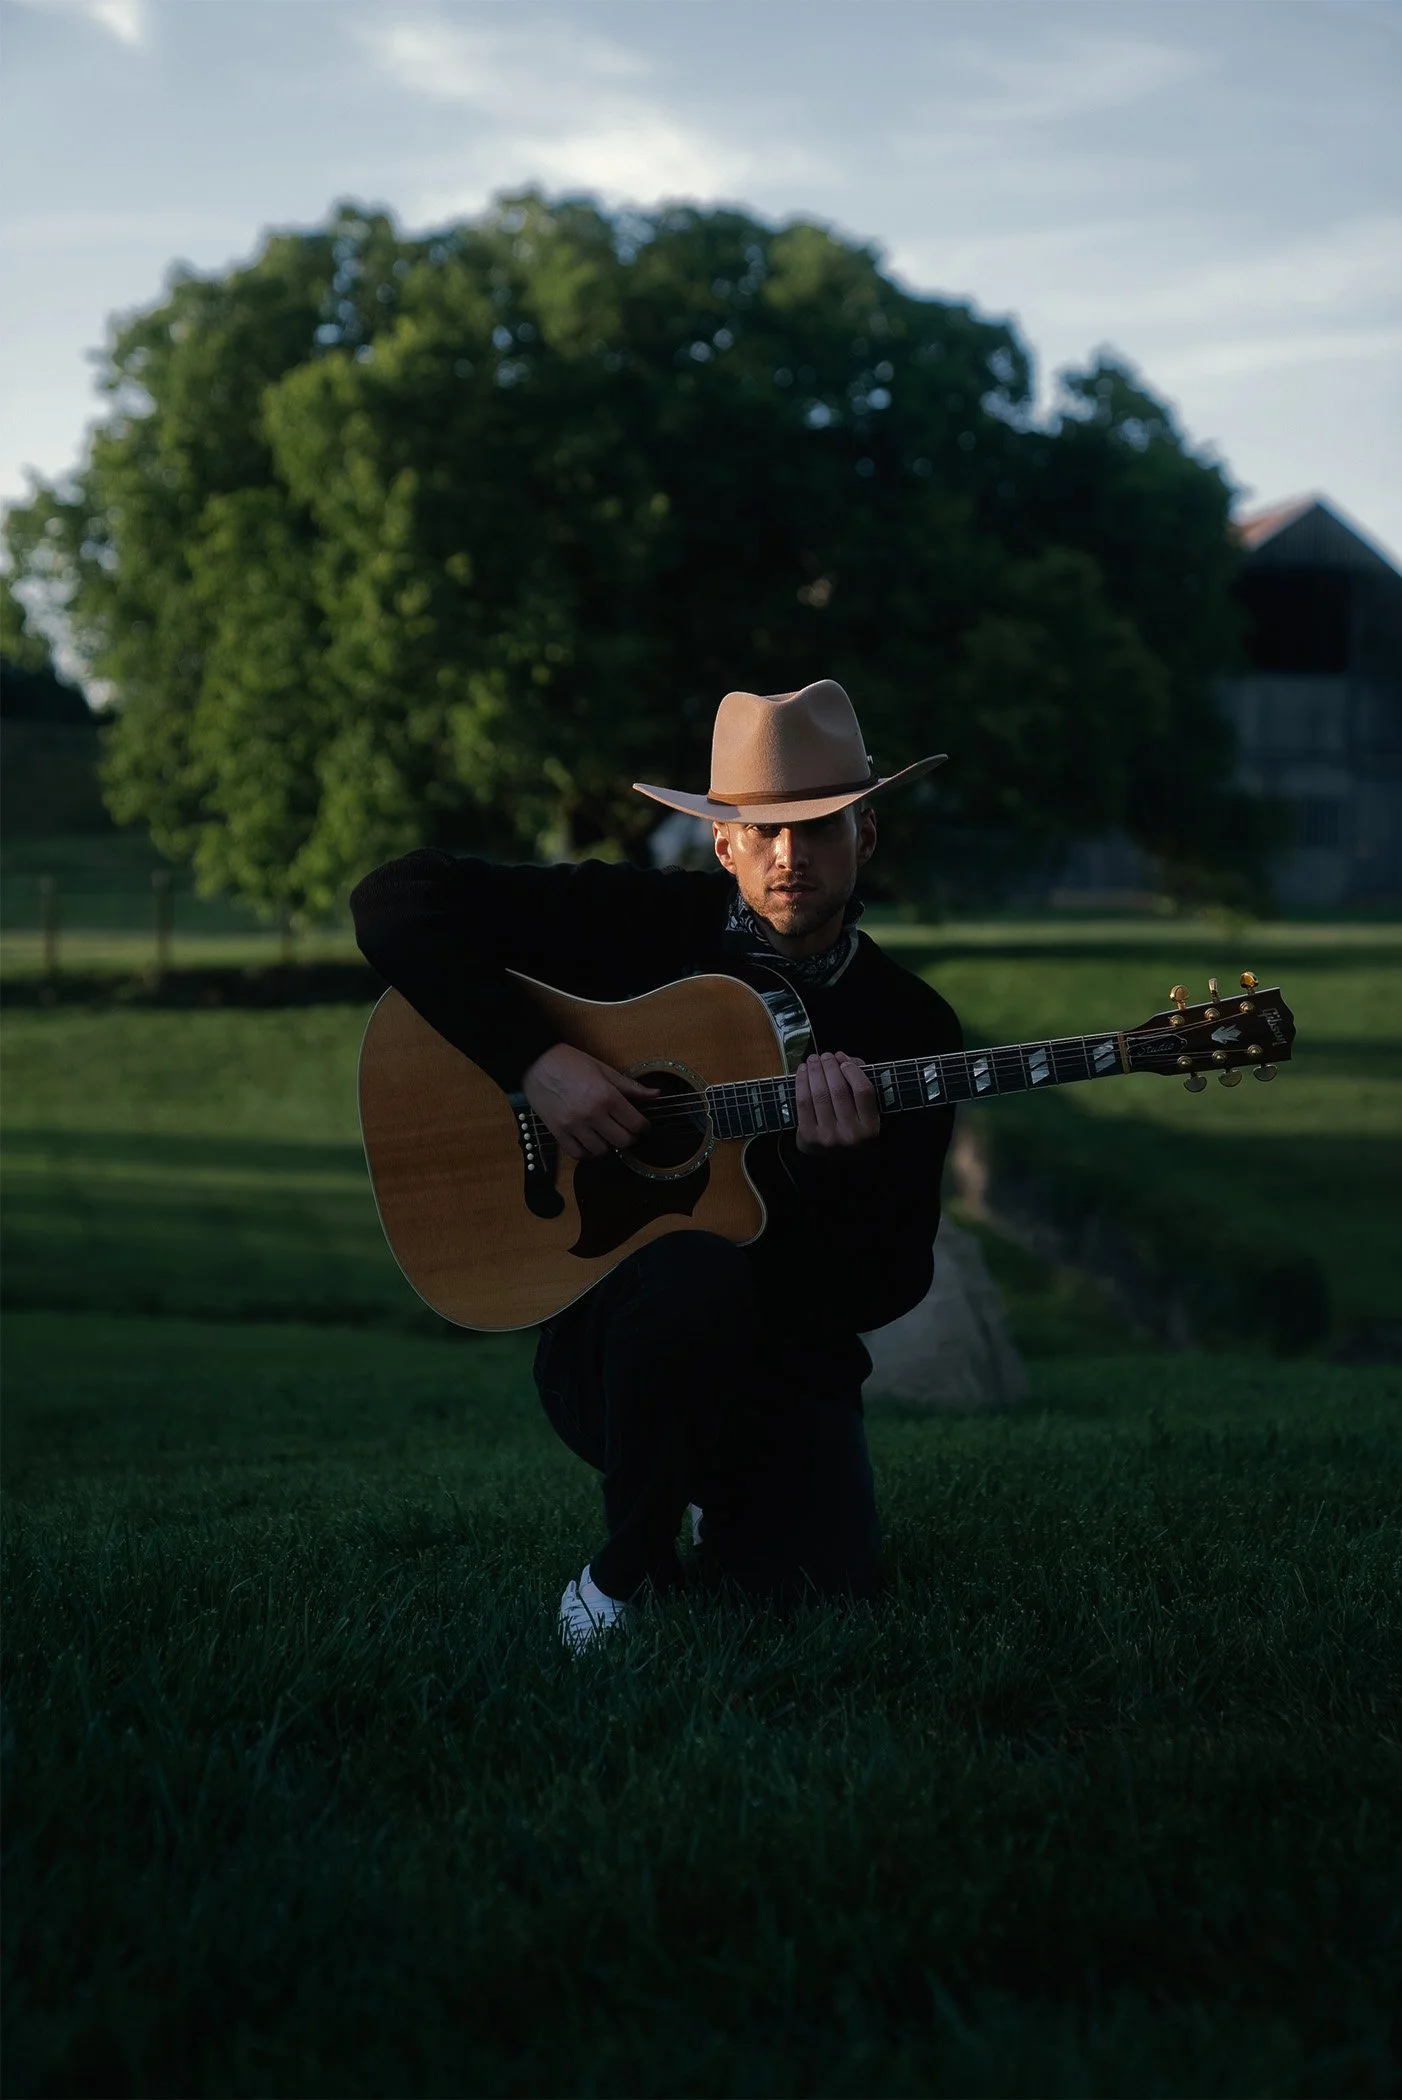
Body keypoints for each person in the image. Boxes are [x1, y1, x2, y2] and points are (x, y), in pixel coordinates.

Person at [350, 679, 961, 1650]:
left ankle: (711, 1496)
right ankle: (622, 1569)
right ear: (723, 845)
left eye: (822, 828)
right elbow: (392, 900)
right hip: (617, 1348)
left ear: (867, 839)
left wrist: (837, 1170)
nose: (790, 856)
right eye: (762, 832)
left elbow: (886, 1284)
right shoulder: (632, 923)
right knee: (688, 1263)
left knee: (820, 1591)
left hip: (785, 1367)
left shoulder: (910, 1030)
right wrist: (537, 1064)